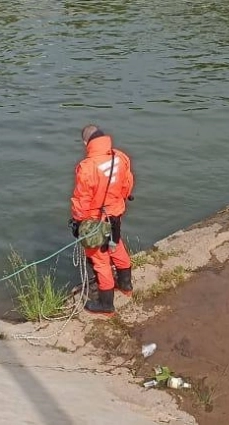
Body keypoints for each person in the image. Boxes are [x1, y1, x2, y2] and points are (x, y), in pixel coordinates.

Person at [69, 124, 135, 316]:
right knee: (116, 244)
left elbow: (82, 201)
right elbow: (127, 185)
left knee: (99, 259)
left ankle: (106, 304)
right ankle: (126, 285)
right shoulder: (120, 157)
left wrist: (79, 223)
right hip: (116, 213)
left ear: (85, 142)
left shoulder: (87, 167)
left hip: (95, 219)